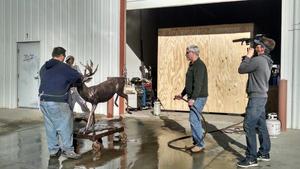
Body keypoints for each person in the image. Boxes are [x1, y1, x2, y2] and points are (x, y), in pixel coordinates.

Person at [237, 37, 275, 168]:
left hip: (256, 98)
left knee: (248, 125)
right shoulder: (267, 61)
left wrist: (248, 56)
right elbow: (251, 68)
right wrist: (248, 59)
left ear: (263, 49)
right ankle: (264, 152)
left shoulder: (258, 60)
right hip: (262, 96)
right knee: (261, 124)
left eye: (258, 45)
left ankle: (251, 158)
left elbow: (241, 69)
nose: (255, 46)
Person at [39, 47, 82, 159]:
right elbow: (77, 76)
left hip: (43, 100)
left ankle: (53, 150)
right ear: (62, 56)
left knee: (50, 126)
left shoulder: (44, 67)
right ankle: (68, 150)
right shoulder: (64, 67)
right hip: (57, 101)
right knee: (66, 124)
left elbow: (44, 77)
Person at [174, 44, 208, 153]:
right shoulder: (192, 65)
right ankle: (197, 141)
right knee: (195, 119)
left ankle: (200, 144)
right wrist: (182, 94)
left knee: (193, 119)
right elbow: (189, 83)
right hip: (193, 97)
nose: (186, 55)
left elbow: (198, 84)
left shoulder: (199, 66)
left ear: (193, 53)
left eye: (187, 52)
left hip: (199, 97)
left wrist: (193, 98)